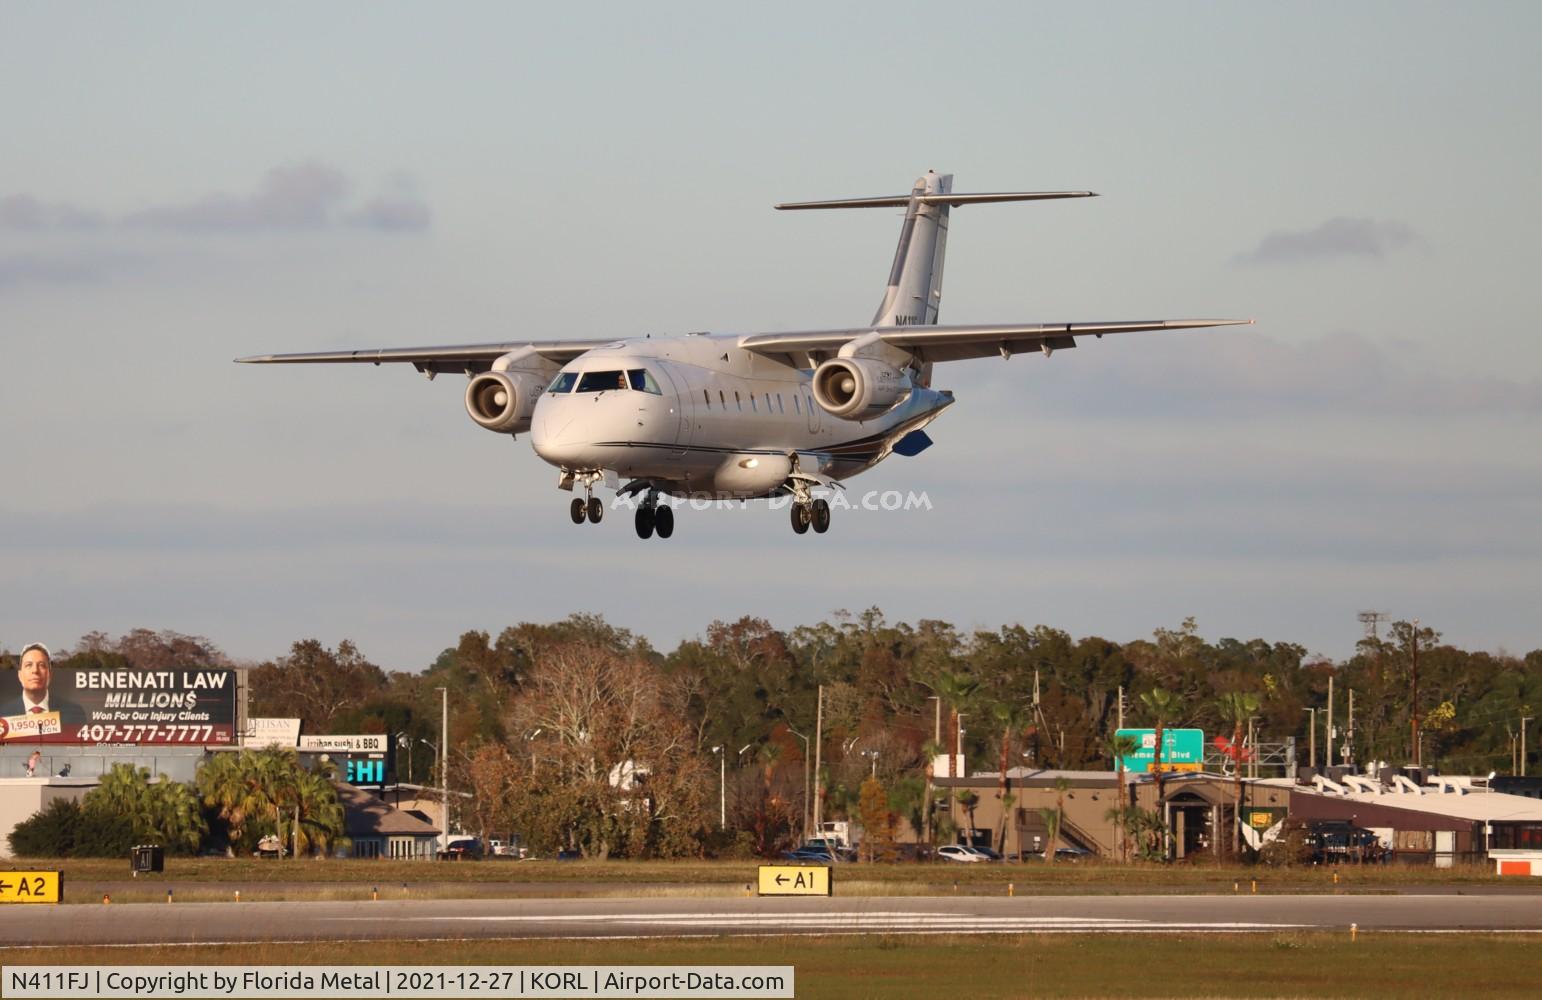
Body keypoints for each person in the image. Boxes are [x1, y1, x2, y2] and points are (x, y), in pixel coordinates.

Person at [2, 643, 86, 725]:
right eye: (29, 665)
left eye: (41, 665)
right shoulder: (3, 714)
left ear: (50, 674)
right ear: (20, 675)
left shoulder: (74, 713)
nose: (35, 670)